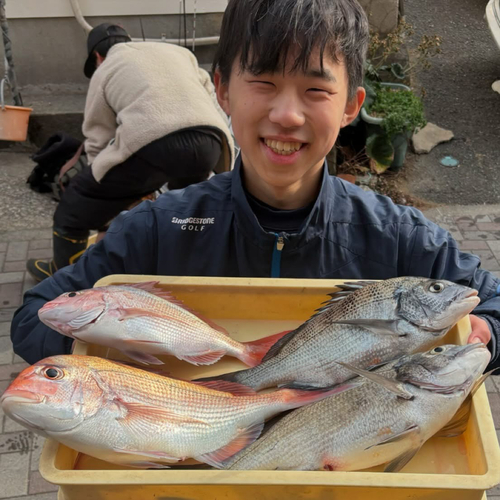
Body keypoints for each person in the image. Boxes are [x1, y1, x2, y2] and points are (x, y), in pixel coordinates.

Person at [12, 0, 499, 372]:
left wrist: (484, 334)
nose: (287, 115)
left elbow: (493, 304)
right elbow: (34, 315)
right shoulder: (160, 226)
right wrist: (106, 343)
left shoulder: (396, 234)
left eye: (316, 89)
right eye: (263, 82)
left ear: (351, 105)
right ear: (222, 89)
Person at [26, 23, 234, 282]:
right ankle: (185, 272)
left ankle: (66, 277)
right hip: (210, 143)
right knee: (186, 213)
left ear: (97, 57)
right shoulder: (178, 53)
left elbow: (97, 137)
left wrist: (100, 196)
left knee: (72, 210)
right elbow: (213, 101)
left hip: (153, 142)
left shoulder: (107, 68)